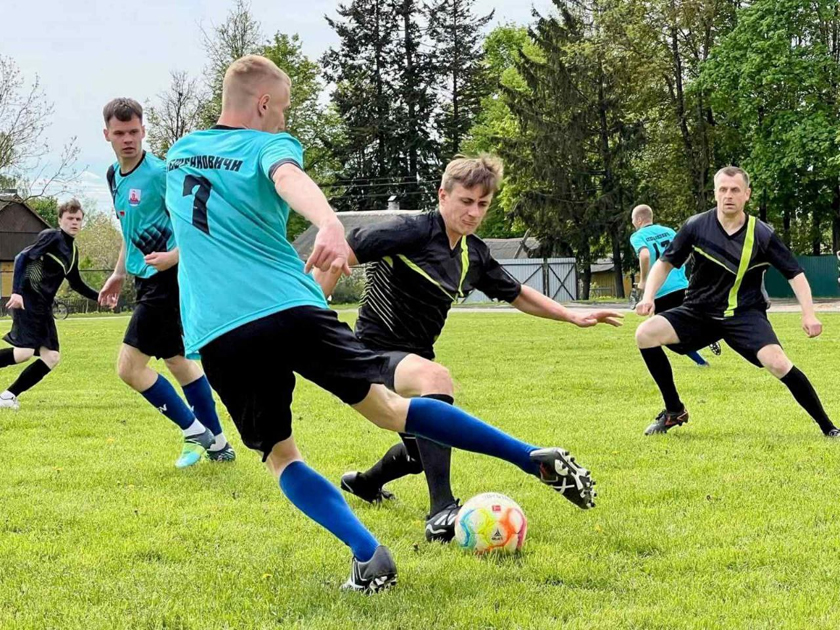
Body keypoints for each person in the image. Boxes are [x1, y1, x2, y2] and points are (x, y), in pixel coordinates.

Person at [164, 54, 597, 593]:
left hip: (222, 329)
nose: (284, 120)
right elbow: (287, 176)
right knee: (393, 410)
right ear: (264, 103)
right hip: (294, 308)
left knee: (281, 457)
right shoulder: (266, 146)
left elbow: (194, 225)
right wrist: (328, 221)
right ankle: (527, 458)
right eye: (285, 110)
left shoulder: (179, 154)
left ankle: (369, 557)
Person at [314, 155, 621, 544]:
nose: (474, 212)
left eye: (482, 204)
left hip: (412, 358)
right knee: (435, 379)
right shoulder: (409, 231)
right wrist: (312, 314)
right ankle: (441, 510)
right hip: (371, 352)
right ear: (443, 195)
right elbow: (337, 252)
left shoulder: (473, 254)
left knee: (419, 453)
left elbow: (517, 293)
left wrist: (571, 315)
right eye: (466, 201)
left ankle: (364, 483)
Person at [634, 166, 837, 437]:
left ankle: (829, 428)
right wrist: (648, 296)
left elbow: (795, 274)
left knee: (778, 363)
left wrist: (808, 314)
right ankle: (674, 411)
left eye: (735, 190)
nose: (728, 195)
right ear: (715, 193)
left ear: (747, 194)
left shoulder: (761, 234)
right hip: (699, 311)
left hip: (744, 314)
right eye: (723, 189)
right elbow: (665, 263)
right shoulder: (696, 226)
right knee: (645, 334)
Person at [98, 98, 235, 468]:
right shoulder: (113, 176)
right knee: (178, 361)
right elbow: (130, 230)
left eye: (134, 131)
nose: (128, 139)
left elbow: (202, 223)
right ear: (107, 134)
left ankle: (195, 431)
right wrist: (119, 272)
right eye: (120, 133)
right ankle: (219, 444)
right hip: (145, 281)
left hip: (169, 281)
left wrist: (173, 257)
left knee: (129, 368)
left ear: (144, 131)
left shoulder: (161, 174)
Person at [0, 200, 100, 409]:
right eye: (70, 218)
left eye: (78, 219)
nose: (74, 222)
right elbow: (21, 258)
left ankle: (7, 396)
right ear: (60, 220)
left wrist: (100, 297)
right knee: (24, 353)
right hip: (27, 301)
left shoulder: (72, 251)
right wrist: (16, 292)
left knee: (51, 357)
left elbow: (76, 283)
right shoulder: (52, 236)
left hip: (43, 308)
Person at [630, 204, 719, 367]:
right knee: (689, 321)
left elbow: (644, 255)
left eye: (633, 220)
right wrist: (679, 266)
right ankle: (707, 341)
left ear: (639, 219)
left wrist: (643, 280)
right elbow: (689, 249)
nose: (633, 224)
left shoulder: (637, 236)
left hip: (661, 291)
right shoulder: (669, 231)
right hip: (681, 285)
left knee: (666, 335)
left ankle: (701, 360)